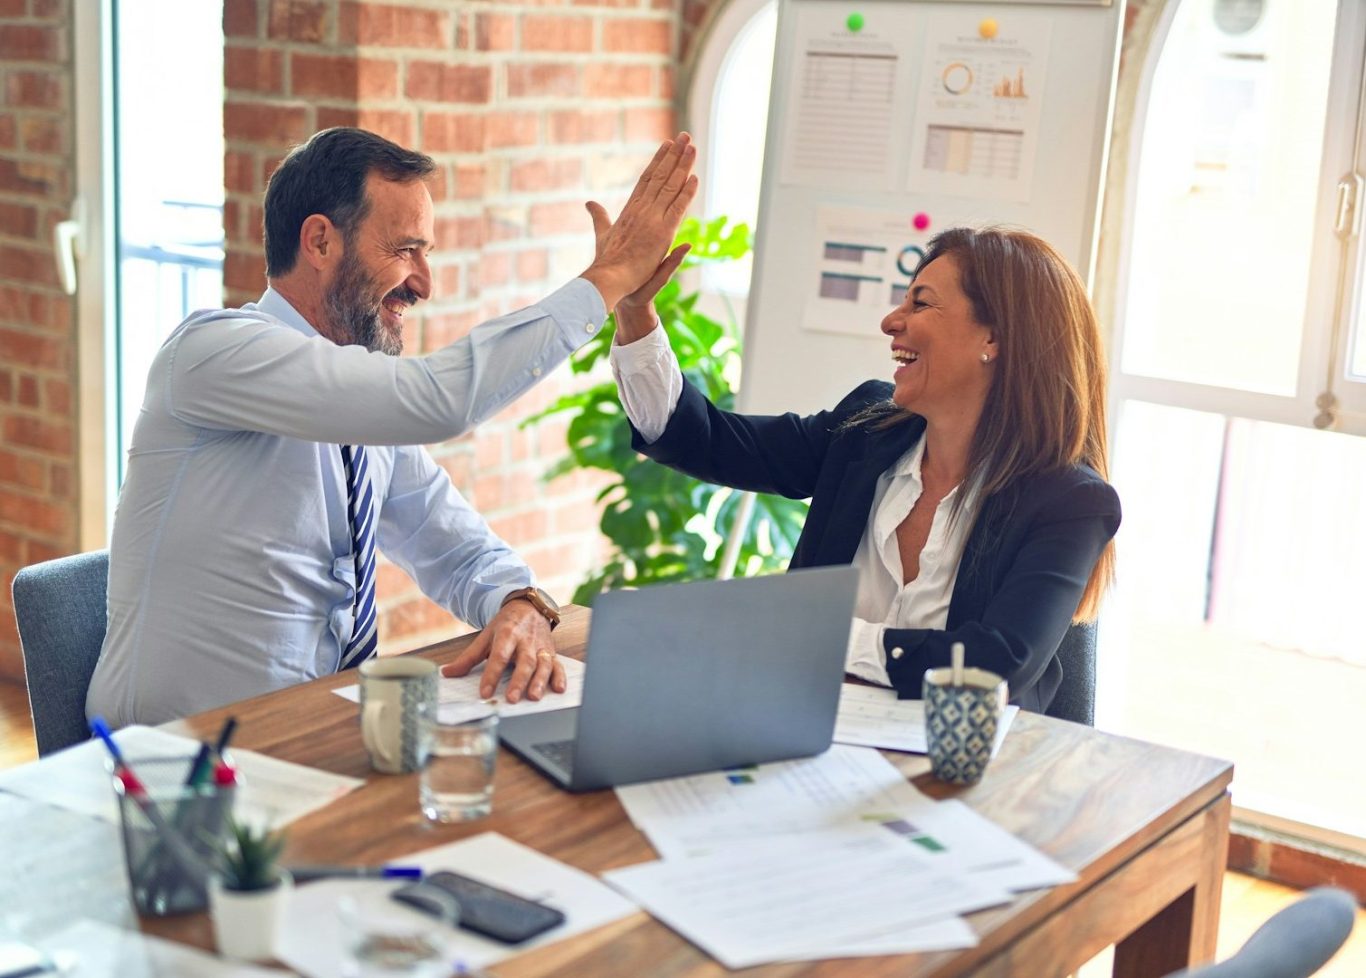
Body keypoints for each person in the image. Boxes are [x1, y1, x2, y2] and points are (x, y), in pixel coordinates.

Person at [87, 126, 696, 727]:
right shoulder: (213, 353)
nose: (424, 283)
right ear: (320, 242)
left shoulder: (360, 411)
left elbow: (453, 545)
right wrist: (609, 278)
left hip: (314, 736)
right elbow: (439, 400)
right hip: (174, 763)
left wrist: (520, 601)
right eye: (406, 250)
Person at [608, 226, 1120, 713]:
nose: (891, 321)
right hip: (807, 734)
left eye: (920, 303)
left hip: (966, 774)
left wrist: (818, 636)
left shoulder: (1069, 502)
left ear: (995, 339)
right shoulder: (866, 432)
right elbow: (704, 440)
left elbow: (992, 667)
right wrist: (635, 310)